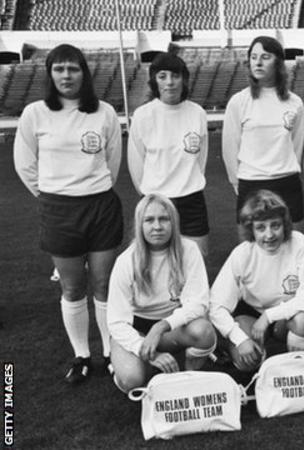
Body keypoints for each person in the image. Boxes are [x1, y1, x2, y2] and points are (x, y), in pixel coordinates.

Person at [14, 44, 123, 383]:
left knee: (104, 283)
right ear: (50, 74)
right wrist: (52, 194)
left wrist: (91, 188)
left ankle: (109, 353)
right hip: (59, 210)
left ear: (84, 73)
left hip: (101, 207)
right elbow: (25, 164)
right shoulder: (35, 113)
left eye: (73, 69)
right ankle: (81, 355)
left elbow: (112, 162)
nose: (66, 75)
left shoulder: (103, 111)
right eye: (59, 69)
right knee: (73, 288)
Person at [107, 194, 216, 393]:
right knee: (132, 378)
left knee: (204, 331)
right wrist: (147, 350)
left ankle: (189, 375)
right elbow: (116, 322)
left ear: (173, 222)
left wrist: (161, 327)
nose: (157, 226)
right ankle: (122, 364)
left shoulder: (189, 250)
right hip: (136, 328)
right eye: (149, 220)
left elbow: (198, 303)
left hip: (170, 327)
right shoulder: (126, 261)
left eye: (164, 219)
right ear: (139, 224)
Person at [209, 190, 304, 372]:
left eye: (275, 225)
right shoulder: (242, 253)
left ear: (285, 224)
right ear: (251, 229)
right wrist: (240, 339)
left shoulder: (298, 242)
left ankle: (296, 367)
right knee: (248, 363)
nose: (269, 235)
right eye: (261, 228)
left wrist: (268, 317)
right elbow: (216, 305)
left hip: (286, 317)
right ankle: (254, 354)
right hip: (252, 315)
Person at [128, 52, 210, 256]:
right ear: (154, 81)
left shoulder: (197, 113)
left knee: (197, 263)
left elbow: (201, 159)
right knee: (156, 265)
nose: (170, 82)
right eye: (162, 76)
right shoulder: (143, 115)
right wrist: (152, 197)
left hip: (192, 201)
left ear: (184, 79)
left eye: (175, 75)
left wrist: (187, 183)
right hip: (157, 202)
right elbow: (136, 163)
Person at [222, 36, 304, 223]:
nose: (258, 62)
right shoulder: (239, 102)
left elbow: (296, 146)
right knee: (251, 248)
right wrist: (238, 182)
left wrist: (287, 168)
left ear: (278, 62)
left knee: (292, 245)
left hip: (287, 182)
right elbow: (230, 147)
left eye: (265, 57)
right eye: (253, 57)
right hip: (251, 183)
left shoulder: (295, 103)